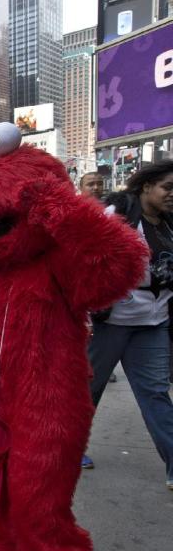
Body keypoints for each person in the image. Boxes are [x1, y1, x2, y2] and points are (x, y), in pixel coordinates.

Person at [87, 160, 173, 489]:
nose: (171, 195)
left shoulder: (169, 224)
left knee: (155, 394)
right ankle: (68, 451)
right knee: (87, 392)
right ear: (146, 186)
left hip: (154, 322)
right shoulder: (118, 214)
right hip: (111, 323)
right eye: (167, 187)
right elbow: (85, 255)